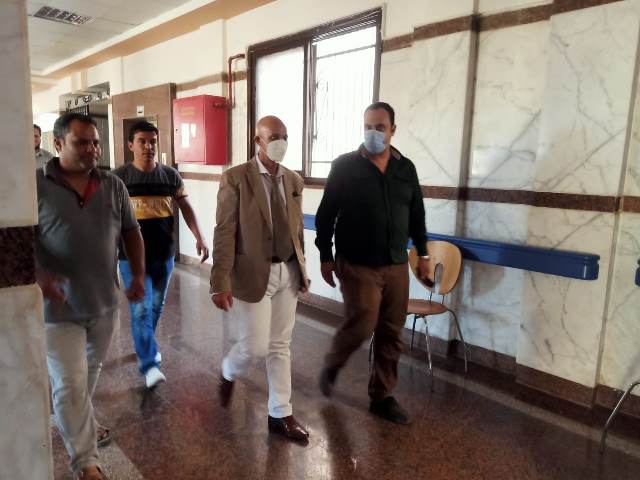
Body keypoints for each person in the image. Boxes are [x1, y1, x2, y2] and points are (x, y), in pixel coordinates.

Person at [35, 113, 145, 480]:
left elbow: (131, 231)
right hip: (56, 310)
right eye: (82, 142)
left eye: (95, 142)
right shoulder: (36, 186)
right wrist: (39, 277)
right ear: (58, 144)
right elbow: (17, 243)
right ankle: (86, 464)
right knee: (69, 384)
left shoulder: (112, 185)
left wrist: (138, 275)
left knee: (85, 379)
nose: (92, 149)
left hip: (104, 305)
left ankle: (78, 421)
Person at [315, 102, 431, 425]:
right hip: (357, 262)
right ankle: (333, 362)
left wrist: (422, 254)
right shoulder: (345, 166)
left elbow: (417, 215)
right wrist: (325, 255)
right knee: (363, 321)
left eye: (380, 127)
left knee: (392, 331)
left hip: (395, 263)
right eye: (368, 127)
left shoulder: (405, 169)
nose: (373, 133)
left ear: (393, 130)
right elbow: (325, 215)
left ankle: (381, 396)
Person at [210, 115, 310, 443]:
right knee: (255, 346)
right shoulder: (236, 178)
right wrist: (219, 281)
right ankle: (229, 371)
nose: (281, 142)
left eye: (285, 136)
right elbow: (225, 231)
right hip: (252, 273)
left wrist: (303, 269)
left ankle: (281, 413)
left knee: (280, 344)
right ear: (258, 141)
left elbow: (297, 230)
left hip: (287, 271)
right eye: (274, 136)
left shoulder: (293, 180)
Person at [112, 121, 209, 388]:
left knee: (155, 306)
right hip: (130, 258)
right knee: (141, 309)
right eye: (142, 141)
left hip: (164, 255)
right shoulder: (118, 178)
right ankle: (149, 364)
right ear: (131, 145)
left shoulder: (170, 176)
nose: (148, 147)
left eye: (152, 141)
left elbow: (186, 208)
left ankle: (146, 345)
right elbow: (106, 218)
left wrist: (199, 237)